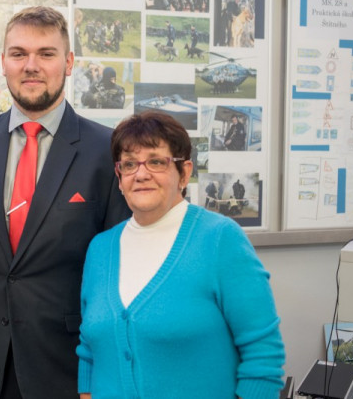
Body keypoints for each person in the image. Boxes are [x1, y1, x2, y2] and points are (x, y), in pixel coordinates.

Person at [0, 6, 129, 399]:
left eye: (46, 53)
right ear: (4, 63)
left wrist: (102, 372)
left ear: (69, 62)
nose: (31, 66)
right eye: (18, 54)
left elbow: (117, 276)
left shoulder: (107, 150)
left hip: (68, 368)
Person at [77, 111, 285, 398]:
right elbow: (89, 351)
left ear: (184, 172)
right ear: (119, 176)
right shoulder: (100, 249)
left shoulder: (220, 240)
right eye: (129, 164)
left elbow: (263, 357)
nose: (141, 174)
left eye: (156, 162)